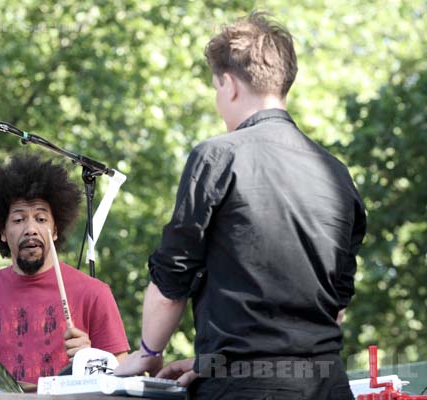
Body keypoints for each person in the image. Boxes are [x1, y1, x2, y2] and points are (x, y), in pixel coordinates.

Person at [115, 11, 366, 400]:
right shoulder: (337, 173)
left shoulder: (217, 157)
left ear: (229, 85)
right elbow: (335, 306)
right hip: (327, 385)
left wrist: (148, 353)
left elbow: (170, 286)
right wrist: (212, 362)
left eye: (216, 88)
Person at [0, 154, 130, 384]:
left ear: (55, 230)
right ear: (2, 233)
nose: (30, 229)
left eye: (40, 218)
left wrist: (91, 360)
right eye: (18, 220)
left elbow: (124, 378)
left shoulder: (94, 293)